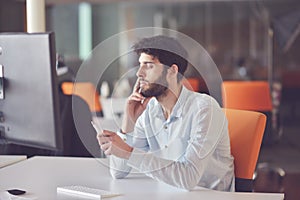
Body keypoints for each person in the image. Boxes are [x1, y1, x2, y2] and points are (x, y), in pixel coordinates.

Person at [97, 35, 235, 191]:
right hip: (169, 192)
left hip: (209, 196)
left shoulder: (204, 110)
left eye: (148, 65)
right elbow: (118, 172)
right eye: (140, 65)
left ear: (172, 71)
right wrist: (127, 124)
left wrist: (129, 152)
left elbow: (188, 178)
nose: (139, 73)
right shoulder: (149, 110)